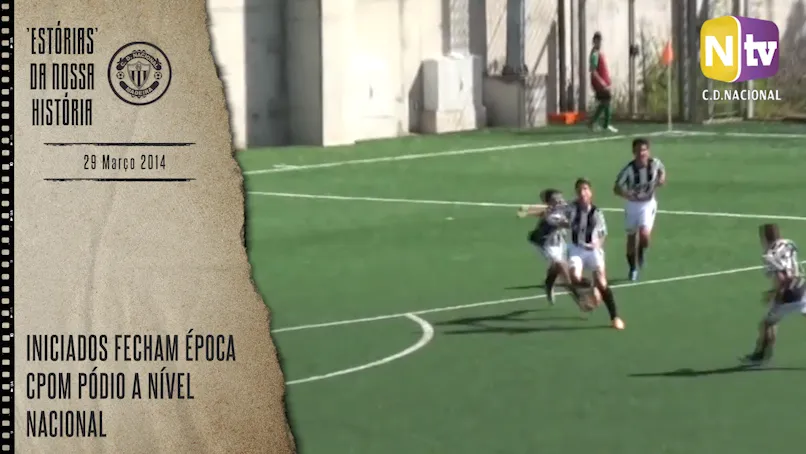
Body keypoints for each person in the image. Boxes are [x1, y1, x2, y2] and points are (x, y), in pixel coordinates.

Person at [517, 189, 595, 311]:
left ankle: (549, 283)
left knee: (556, 268)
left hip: (559, 242)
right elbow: (569, 224)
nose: (560, 201)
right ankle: (580, 299)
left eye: (560, 198)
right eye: (556, 199)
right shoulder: (551, 217)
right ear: (549, 203)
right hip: (546, 244)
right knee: (562, 268)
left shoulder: (558, 208)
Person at [565, 178, 625, 329]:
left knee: (602, 283)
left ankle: (615, 317)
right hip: (576, 249)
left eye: (585, 189)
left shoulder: (597, 213)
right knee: (574, 277)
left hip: (593, 250)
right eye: (579, 190)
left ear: (591, 192)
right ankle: (591, 289)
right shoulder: (571, 209)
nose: (582, 192)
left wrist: (597, 244)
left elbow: (603, 234)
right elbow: (554, 214)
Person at [742, 224, 806, 365]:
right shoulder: (789, 243)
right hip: (803, 286)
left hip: (788, 294)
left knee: (767, 324)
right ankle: (765, 354)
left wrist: (773, 294)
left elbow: (782, 279)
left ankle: (762, 355)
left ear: (764, 238)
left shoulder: (769, 256)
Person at [613, 137, 666, 281]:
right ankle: (633, 268)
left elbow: (661, 169)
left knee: (644, 236)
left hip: (648, 204)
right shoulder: (629, 170)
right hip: (632, 205)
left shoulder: (654, 163)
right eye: (638, 151)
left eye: (643, 150)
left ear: (648, 151)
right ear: (633, 152)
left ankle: (641, 250)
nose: (641, 153)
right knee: (631, 238)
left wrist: (661, 178)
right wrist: (627, 195)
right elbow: (616, 187)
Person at [588, 32, 617, 133]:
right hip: (598, 82)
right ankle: (605, 124)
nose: (599, 43)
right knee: (607, 99)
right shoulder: (595, 54)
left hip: (602, 81)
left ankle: (594, 122)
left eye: (600, 41)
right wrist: (601, 82)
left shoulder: (598, 52)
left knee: (605, 101)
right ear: (594, 41)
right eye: (597, 41)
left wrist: (607, 79)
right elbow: (593, 70)